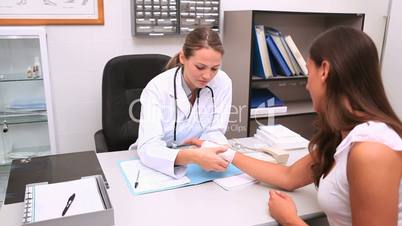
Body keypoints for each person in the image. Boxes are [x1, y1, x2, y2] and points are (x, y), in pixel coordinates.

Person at [229, 26, 402, 225]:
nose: (307, 85)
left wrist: (289, 219)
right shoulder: (344, 133)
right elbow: (288, 176)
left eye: (308, 74)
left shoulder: (372, 150)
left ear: (324, 71)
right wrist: (229, 154)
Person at [130, 26, 233, 178]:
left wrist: (220, 150)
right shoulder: (157, 88)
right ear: (183, 57)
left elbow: (214, 132)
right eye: (200, 67)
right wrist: (193, 157)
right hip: (155, 164)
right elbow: (148, 147)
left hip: (198, 164)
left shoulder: (222, 82)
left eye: (214, 68)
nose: (207, 76)